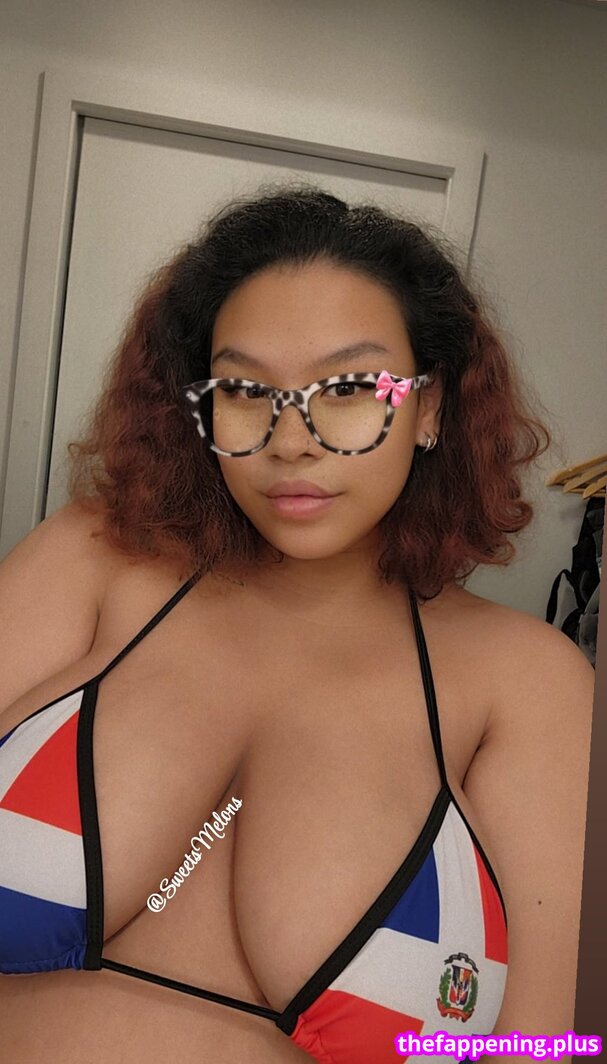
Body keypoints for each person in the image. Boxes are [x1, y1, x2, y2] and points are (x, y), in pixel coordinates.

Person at [0, 185, 594, 1064]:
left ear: (429, 407)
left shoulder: (527, 683)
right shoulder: (92, 560)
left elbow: (543, 1047)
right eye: (246, 389)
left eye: (349, 387)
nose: (290, 441)